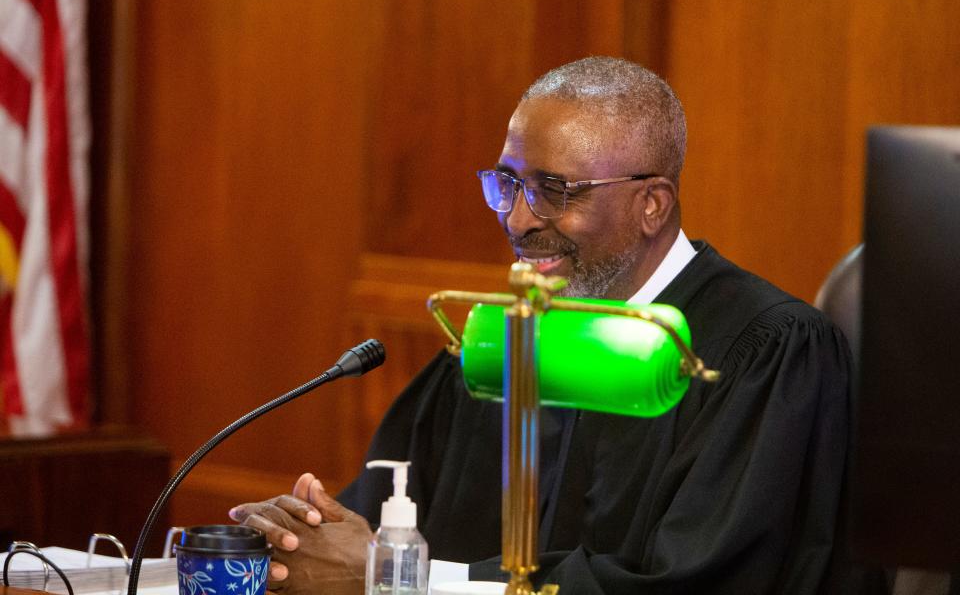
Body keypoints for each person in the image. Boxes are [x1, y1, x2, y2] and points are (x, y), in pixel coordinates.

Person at [229, 57, 851, 594]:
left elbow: (695, 584)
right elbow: (376, 525)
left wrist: (395, 580)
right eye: (508, 184)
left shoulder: (761, 352)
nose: (519, 219)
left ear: (651, 205)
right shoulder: (501, 344)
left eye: (555, 190)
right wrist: (300, 540)